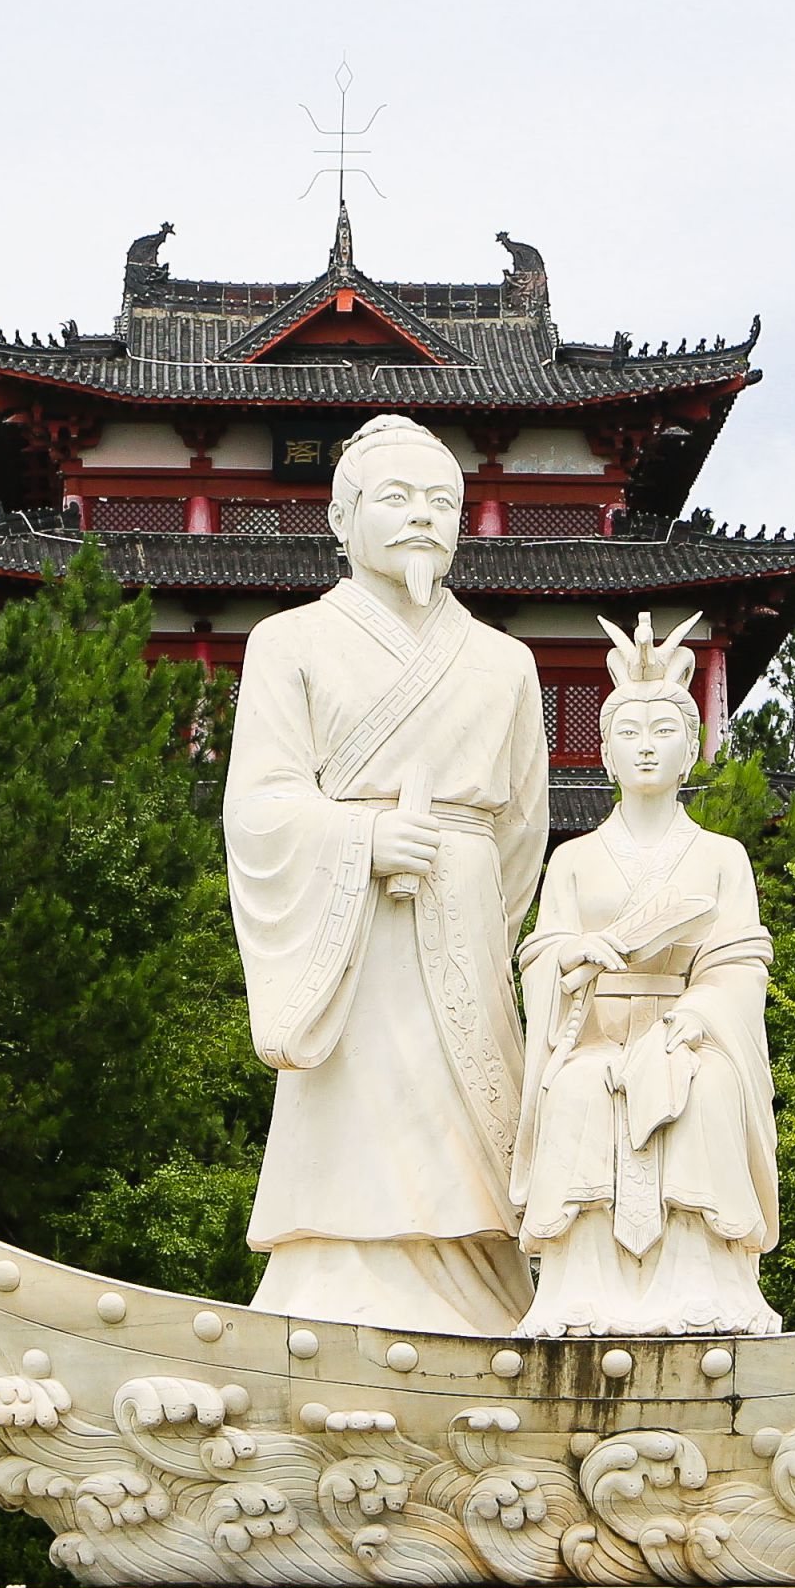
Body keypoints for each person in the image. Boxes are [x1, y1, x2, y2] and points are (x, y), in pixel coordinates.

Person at [223, 413, 554, 1333]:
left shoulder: (505, 663)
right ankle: (332, 1275)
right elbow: (257, 804)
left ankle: (481, 1280)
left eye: (443, 501)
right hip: (351, 926)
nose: (424, 517)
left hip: (462, 916)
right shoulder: (287, 643)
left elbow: (524, 827)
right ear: (341, 518)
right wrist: (362, 846)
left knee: (468, 1110)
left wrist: (468, 891)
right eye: (398, 498)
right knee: (354, 1099)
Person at [510, 614, 781, 1336]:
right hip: (596, 1029)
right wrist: (573, 958)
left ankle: (703, 1283)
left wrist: (698, 1017)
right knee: (575, 1090)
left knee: (710, 1090)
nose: (648, 747)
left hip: (688, 1029)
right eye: (630, 734)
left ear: (692, 750)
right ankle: (580, 1290)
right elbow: (539, 953)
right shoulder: (572, 860)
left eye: (664, 733)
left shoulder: (722, 857)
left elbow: (740, 959)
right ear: (605, 753)